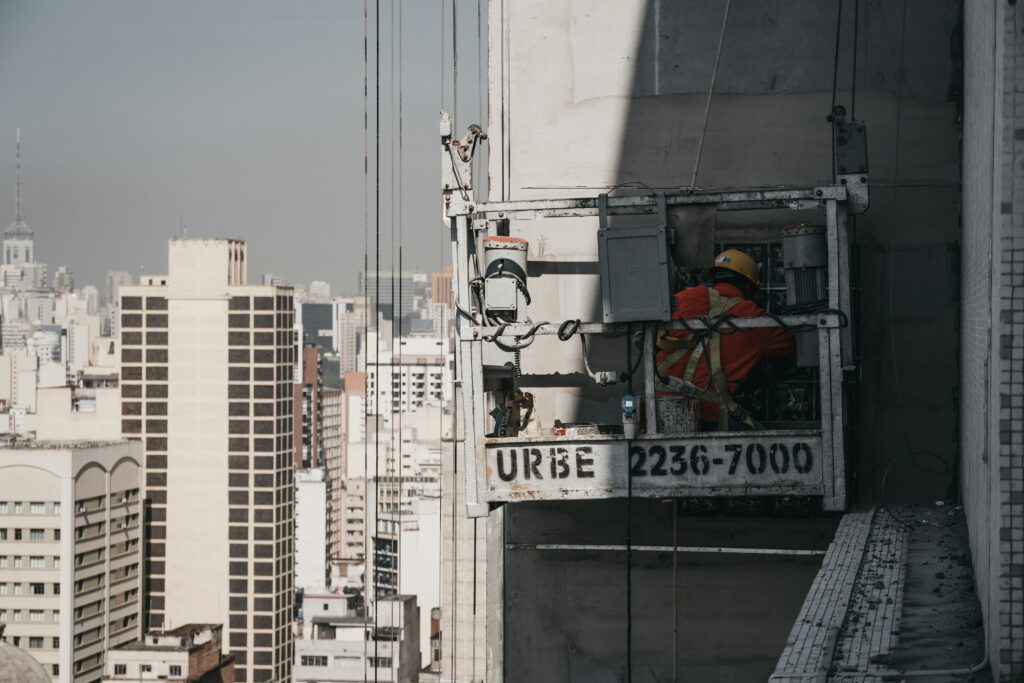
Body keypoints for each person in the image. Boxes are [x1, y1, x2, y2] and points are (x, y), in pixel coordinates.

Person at [656, 249, 795, 431]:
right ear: (748, 286)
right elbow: (796, 350)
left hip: (660, 410)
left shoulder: (681, 299)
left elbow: (646, 340)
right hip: (710, 415)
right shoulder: (757, 319)